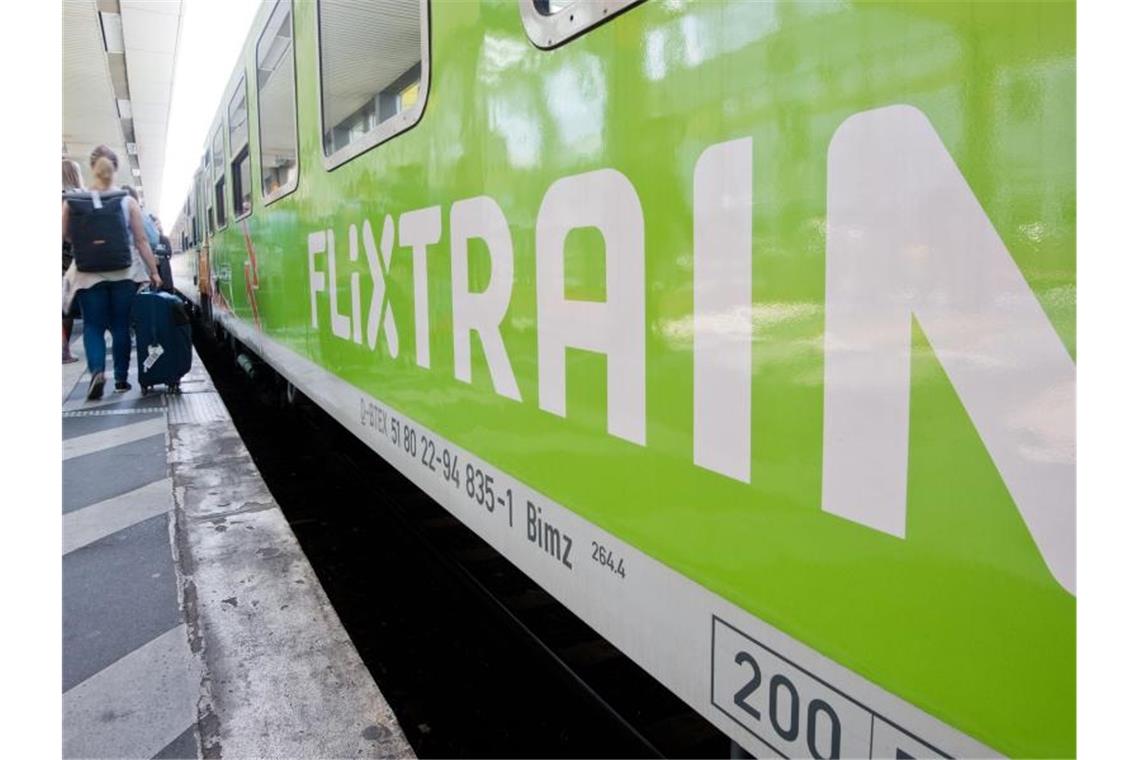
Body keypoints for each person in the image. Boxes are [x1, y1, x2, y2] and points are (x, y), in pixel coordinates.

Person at [63, 146, 162, 400]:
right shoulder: (127, 201)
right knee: (120, 327)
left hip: (87, 275)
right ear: (115, 169)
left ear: (92, 167)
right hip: (123, 274)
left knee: (93, 327)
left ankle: (97, 372)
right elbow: (141, 241)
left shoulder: (73, 201)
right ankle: (120, 380)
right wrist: (154, 272)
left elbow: (62, 237)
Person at [61, 158, 84, 363]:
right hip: (76, 262)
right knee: (68, 308)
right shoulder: (81, 198)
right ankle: (64, 350)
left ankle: (64, 349)